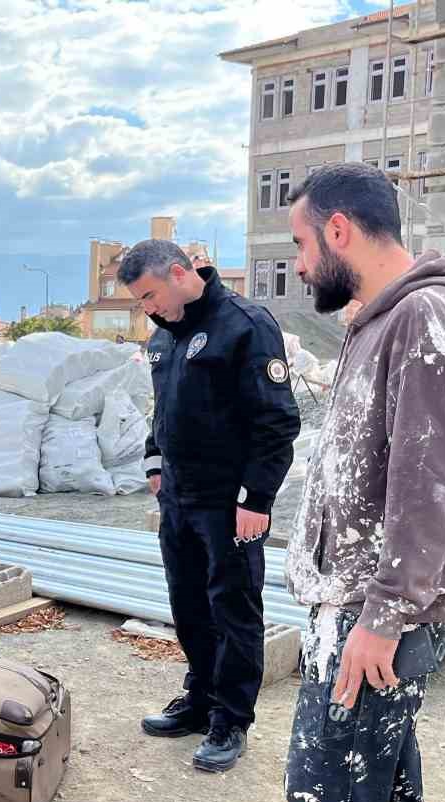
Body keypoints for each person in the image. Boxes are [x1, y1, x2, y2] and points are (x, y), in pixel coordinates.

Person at [282, 162, 445, 802]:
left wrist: (381, 616)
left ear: (340, 229)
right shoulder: (383, 319)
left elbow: (436, 483)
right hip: (368, 612)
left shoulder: (423, 317)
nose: (301, 263)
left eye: (303, 243)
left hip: (374, 621)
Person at [122, 239, 301, 773]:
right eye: (140, 301)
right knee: (189, 607)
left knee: (234, 610)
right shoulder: (164, 336)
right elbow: (163, 409)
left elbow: (277, 422)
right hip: (179, 499)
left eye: (151, 294)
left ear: (180, 273)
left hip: (229, 503)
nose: (148, 308)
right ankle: (200, 698)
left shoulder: (244, 324)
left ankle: (230, 719)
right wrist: (155, 465)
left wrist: (257, 499)